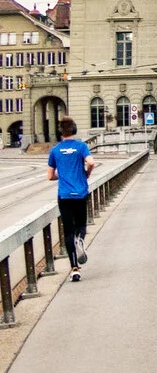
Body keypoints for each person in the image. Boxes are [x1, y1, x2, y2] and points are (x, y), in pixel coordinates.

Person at [48, 117, 92, 282]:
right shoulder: (81, 146)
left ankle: (74, 268)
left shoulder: (55, 150)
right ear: (74, 130)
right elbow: (91, 162)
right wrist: (86, 173)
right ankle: (80, 239)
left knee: (68, 230)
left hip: (64, 195)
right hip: (80, 193)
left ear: (61, 132)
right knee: (81, 225)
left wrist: (62, 175)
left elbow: (50, 176)